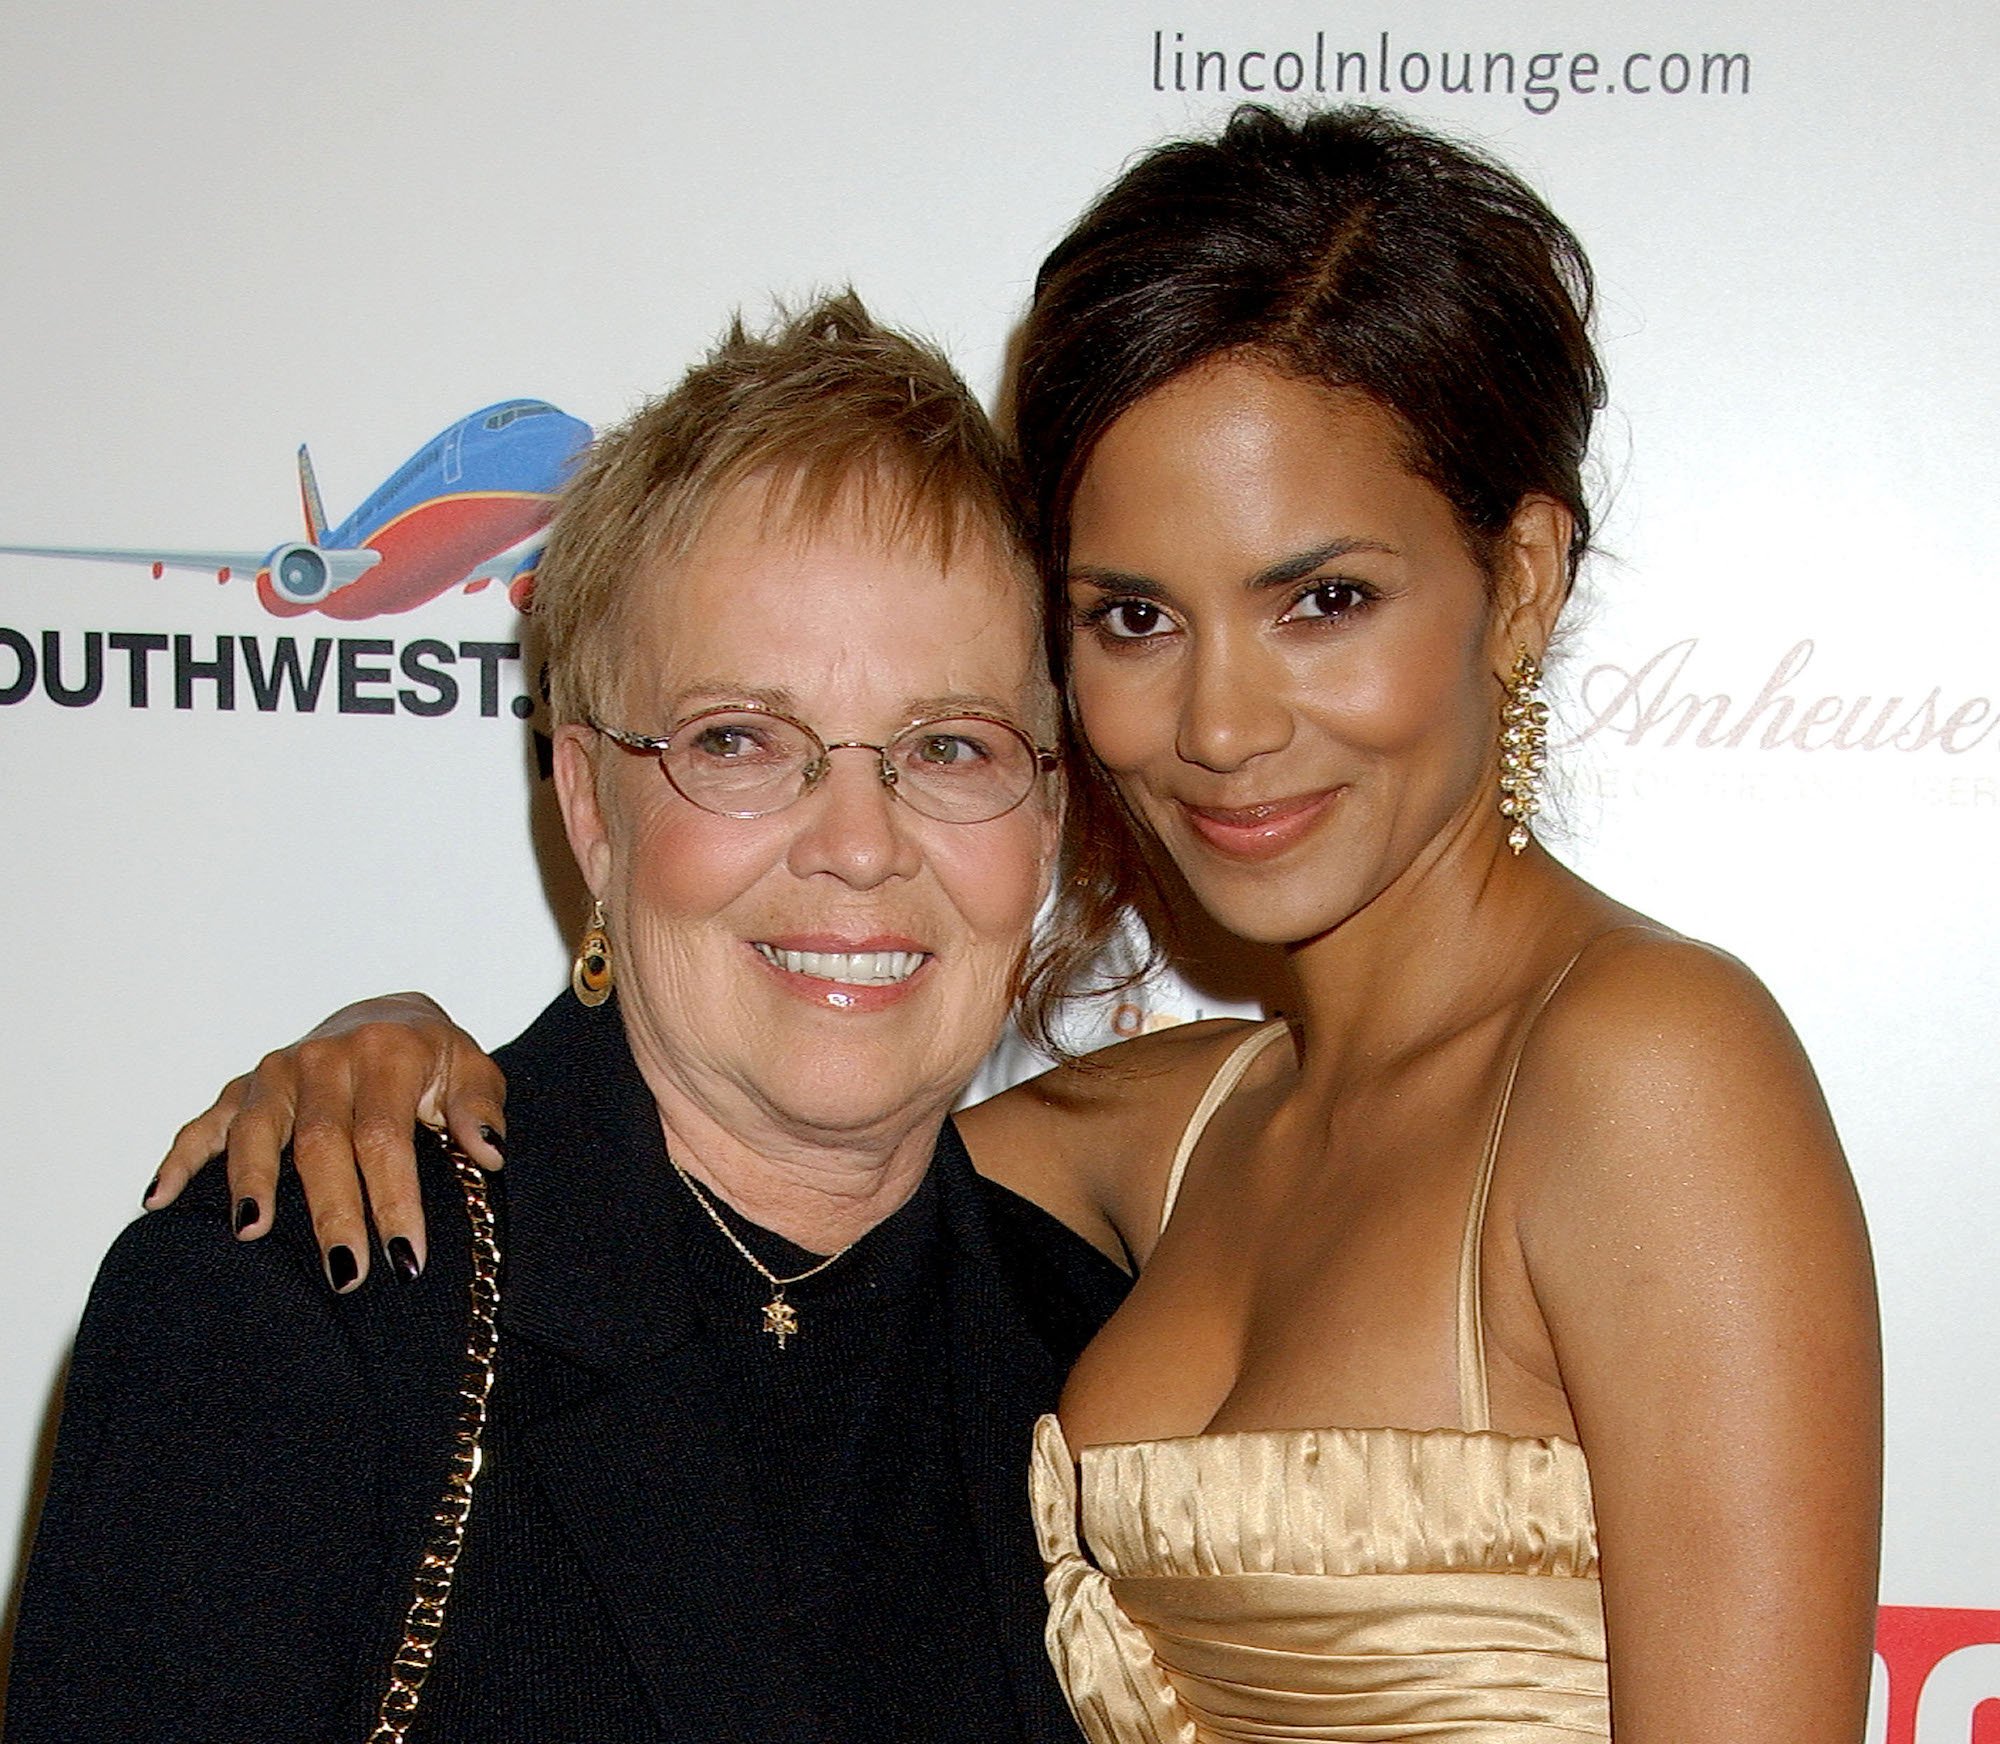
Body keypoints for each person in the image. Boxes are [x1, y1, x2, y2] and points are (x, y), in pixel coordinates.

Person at [137, 108, 1880, 1742]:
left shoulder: (1651, 1070)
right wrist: (391, 1046)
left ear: (1518, 581)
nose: (1219, 721)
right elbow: (760, 1131)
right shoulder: (1168, 1136)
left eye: (1322, 599)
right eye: (1133, 615)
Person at [5, 297, 1133, 1743]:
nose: (860, 842)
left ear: (1045, 810)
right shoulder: (290, 1316)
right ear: (592, 805)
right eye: (742, 739)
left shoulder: (1110, 1376)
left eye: (950, 747)